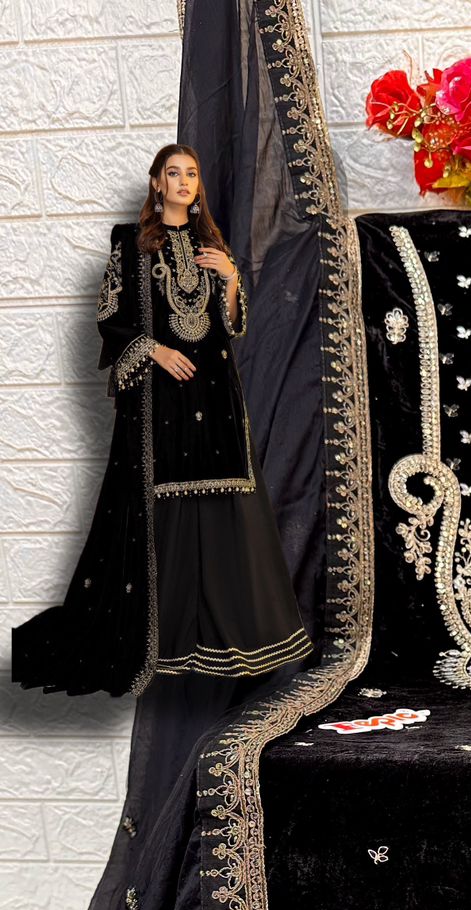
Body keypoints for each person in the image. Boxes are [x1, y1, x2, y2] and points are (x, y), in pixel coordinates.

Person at [11, 143, 311, 695]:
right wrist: (154, 350)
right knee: (161, 499)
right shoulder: (131, 245)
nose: (183, 181)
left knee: (219, 498)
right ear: (157, 183)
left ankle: (217, 635)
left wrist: (231, 279)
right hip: (159, 398)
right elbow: (109, 319)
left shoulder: (212, 247)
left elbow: (229, 328)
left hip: (213, 392)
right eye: (173, 173)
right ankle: (165, 637)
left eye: (191, 173)